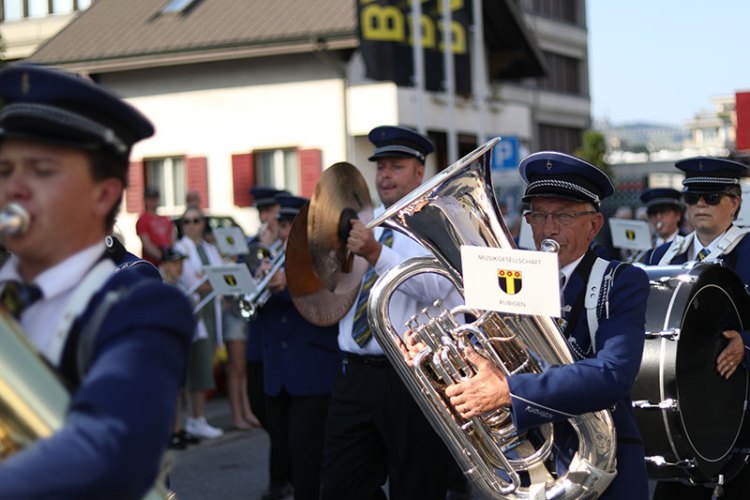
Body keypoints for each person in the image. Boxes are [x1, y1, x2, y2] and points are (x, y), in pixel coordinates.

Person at [408, 151, 650, 499]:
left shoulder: (621, 281)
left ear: (594, 224)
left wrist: (510, 390)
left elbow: (613, 374)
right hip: (523, 467)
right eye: (539, 215)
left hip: (603, 473)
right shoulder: (509, 277)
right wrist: (433, 364)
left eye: (564, 215)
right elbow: (478, 367)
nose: (548, 228)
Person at [0, 63, 193, 497]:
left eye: (42, 170)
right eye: (5, 169)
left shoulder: (140, 306)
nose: (15, 188)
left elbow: (109, 448)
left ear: (102, 194)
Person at [320, 125, 465, 500]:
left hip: (414, 379)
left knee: (417, 487)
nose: (384, 175)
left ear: (420, 170)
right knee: (340, 487)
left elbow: (433, 288)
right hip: (355, 374)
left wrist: (375, 254)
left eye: (395, 166)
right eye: (380, 166)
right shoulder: (367, 224)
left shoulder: (438, 222)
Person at [643, 157, 750, 499]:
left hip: (738, 409)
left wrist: (747, 343)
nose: (700, 204)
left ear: (735, 203)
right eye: (692, 197)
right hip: (677, 409)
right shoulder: (660, 258)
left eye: (712, 197)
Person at [250, 193, 341, 500]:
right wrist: (259, 287)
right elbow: (261, 315)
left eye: (292, 225)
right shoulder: (273, 259)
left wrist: (285, 286)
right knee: (284, 447)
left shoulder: (325, 259)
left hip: (312, 373)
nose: (285, 231)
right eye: (283, 224)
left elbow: (325, 305)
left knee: (309, 459)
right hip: (277, 372)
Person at [175, 205, 225, 439]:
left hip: (211, 311)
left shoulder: (209, 248)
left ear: (203, 223)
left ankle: (198, 418)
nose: (191, 225)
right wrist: (216, 281)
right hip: (194, 313)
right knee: (196, 366)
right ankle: (195, 418)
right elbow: (191, 280)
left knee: (205, 365)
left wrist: (214, 281)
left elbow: (223, 275)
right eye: (187, 221)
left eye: (196, 220)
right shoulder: (179, 248)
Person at [244, 186, 289, 430]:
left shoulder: (290, 244)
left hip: (283, 338)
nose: (264, 218)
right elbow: (245, 286)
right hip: (258, 337)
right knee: (258, 402)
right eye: (261, 212)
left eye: (269, 211)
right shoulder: (253, 245)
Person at [136, 185, 174, 266]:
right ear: (146, 200)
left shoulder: (166, 219)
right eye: (151, 199)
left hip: (168, 261)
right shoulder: (142, 220)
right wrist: (162, 257)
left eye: (155, 198)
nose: (154, 202)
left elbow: (172, 238)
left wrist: (171, 255)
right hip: (152, 263)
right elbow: (146, 244)